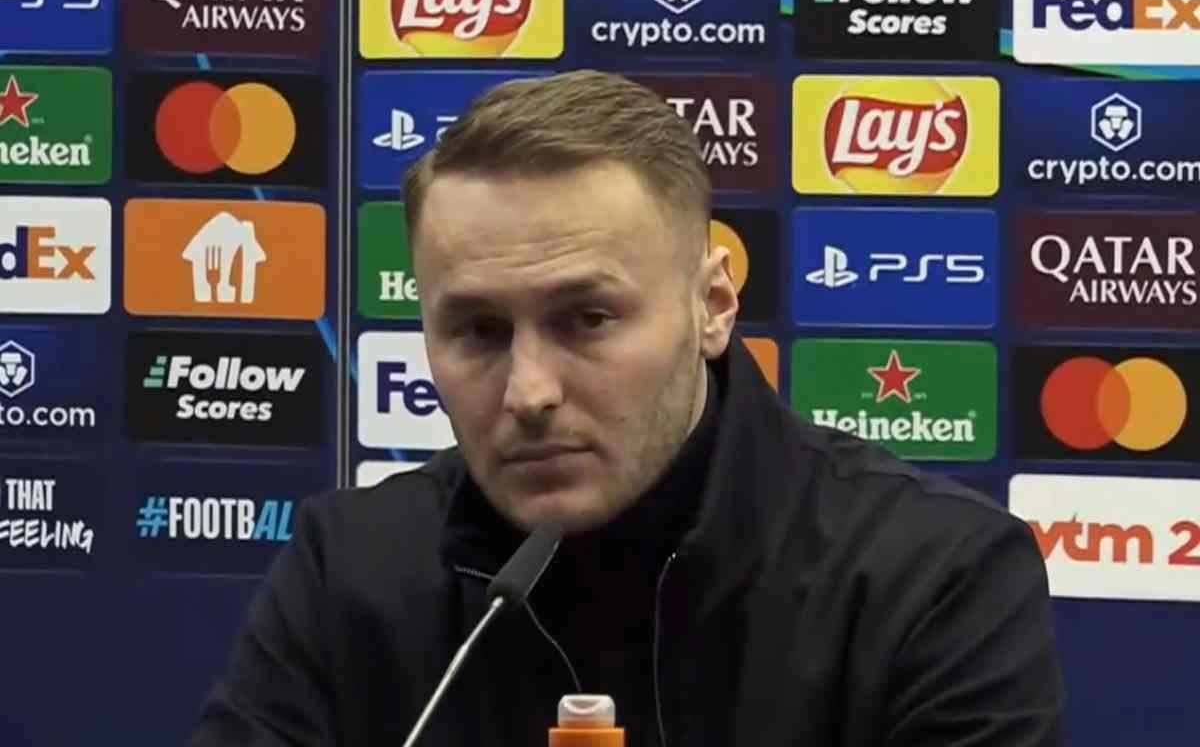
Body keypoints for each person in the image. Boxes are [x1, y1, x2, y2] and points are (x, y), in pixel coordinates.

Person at [188, 70, 1067, 746]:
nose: (530, 392)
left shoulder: (931, 580)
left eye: (588, 319)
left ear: (712, 306)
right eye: (479, 331)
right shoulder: (349, 570)